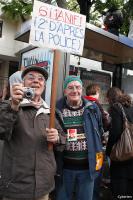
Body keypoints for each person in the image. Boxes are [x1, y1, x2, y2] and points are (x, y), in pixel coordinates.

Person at [0, 65, 66, 200]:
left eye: (41, 79)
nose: (36, 81)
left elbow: (63, 141)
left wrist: (57, 138)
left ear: (44, 86)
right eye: (31, 77)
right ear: (22, 83)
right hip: (16, 187)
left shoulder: (50, 112)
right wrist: (13, 106)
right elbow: (2, 132)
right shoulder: (8, 105)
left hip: (44, 187)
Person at [55, 75, 103, 200]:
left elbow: (99, 132)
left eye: (78, 87)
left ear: (82, 89)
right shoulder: (57, 109)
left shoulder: (93, 108)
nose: (74, 91)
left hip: (88, 168)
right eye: (70, 87)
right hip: (64, 169)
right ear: (65, 91)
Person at [106, 87, 133, 198]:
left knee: (120, 191)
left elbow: (115, 133)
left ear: (110, 99)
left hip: (121, 159)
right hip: (132, 157)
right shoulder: (131, 107)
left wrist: (108, 150)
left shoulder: (115, 108)